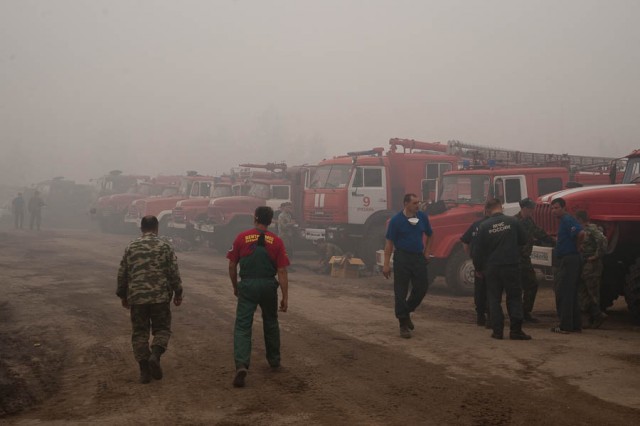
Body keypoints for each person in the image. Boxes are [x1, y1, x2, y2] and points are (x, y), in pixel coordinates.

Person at [227, 206, 289, 388]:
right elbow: (282, 271)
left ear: (255, 218)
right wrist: (285, 296)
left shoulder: (241, 237)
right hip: (269, 286)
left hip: (248, 285)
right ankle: (274, 360)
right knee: (270, 322)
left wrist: (235, 286)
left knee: (242, 326)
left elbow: (232, 265)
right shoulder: (277, 241)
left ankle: (241, 364)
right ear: (271, 221)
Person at [117, 215, 183, 384]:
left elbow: (123, 273)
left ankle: (144, 370)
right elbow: (173, 272)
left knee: (139, 333)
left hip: (137, 298)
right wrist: (178, 292)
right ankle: (155, 354)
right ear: (157, 228)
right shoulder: (165, 246)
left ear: (141, 229)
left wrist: (123, 295)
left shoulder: (131, 246)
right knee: (162, 329)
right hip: (160, 297)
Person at [473, 198, 531, 340]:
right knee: (514, 298)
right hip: (511, 265)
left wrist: (479, 268)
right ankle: (516, 331)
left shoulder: (484, 226)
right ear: (501, 207)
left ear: (487, 210)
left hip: (492, 267)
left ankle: (497, 331)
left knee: (493, 299)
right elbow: (524, 240)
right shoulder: (513, 221)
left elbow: (477, 251)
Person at [382, 193, 433, 339]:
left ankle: (406, 312)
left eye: (418, 203)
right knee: (400, 291)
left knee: (422, 287)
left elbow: (430, 234)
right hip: (402, 258)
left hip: (418, 257)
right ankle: (403, 325)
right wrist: (386, 264)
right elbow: (389, 244)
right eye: (415, 203)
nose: (418, 205)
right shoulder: (396, 221)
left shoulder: (422, 217)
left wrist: (427, 251)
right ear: (406, 204)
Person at [515, 198, 554, 323]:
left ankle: (524, 312)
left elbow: (538, 232)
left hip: (524, 259)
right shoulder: (515, 221)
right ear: (525, 208)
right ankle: (519, 313)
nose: (533, 211)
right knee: (520, 286)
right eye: (531, 209)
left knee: (530, 285)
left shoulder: (528, 220)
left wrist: (552, 241)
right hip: (517, 259)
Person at [550, 197, 585, 334]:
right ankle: (575, 325)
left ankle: (565, 326)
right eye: (552, 208)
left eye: (557, 208)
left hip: (569, 259)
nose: (554, 211)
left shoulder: (567, 219)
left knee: (564, 292)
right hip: (570, 259)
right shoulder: (564, 221)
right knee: (571, 293)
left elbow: (581, 233)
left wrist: (578, 246)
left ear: (564, 208)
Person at [575, 210, 608, 329]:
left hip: (592, 265)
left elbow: (603, 240)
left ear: (580, 219)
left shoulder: (592, 229)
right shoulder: (582, 230)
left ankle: (598, 315)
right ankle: (587, 318)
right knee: (583, 291)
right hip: (584, 263)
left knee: (592, 291)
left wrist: (597, 256)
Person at [460, 208, 490, 327]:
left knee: (479, 291)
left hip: (479, 263)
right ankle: (490, 317)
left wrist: (470, 256)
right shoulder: (496, 224)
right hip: (492, 264)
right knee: (492, 291)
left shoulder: (476, 225)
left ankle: (480, 316)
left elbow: (465, 240)